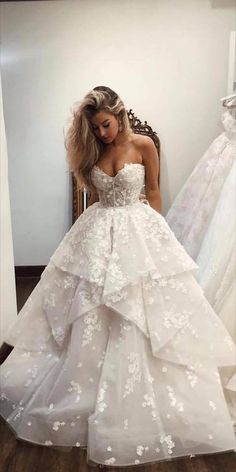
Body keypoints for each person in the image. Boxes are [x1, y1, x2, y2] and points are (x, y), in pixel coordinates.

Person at [0, 86, 235, 468]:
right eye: (95, 128)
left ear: (119, 115)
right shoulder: (92, 150)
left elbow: (154, 192)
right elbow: (94, 198)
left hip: (139, 229)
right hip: (97, 231)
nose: (102, 134)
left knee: (144, 314)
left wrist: (158, 242)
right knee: (87, 310)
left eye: (105, 125)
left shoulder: (143, 146)